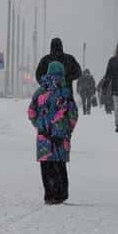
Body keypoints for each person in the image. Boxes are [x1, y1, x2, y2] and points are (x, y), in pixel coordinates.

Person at [27, 61, 78, 205]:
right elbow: (73, 114)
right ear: (62, 74)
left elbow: (31, 112)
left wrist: (39, 125)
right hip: (60, 137)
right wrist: (68, 129)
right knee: (59, 165)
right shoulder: (65, 92)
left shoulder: (39, 92)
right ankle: (60, 194)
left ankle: (49, 195)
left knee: (46, 167)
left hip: (44, 136)